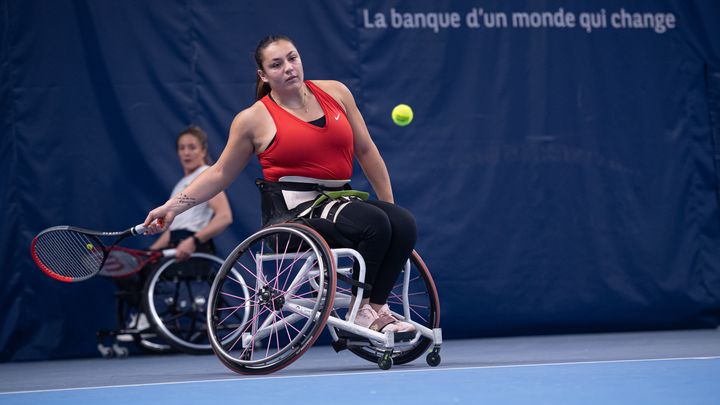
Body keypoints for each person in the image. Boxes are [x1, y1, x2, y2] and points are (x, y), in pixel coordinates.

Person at [144, 34, 416, 333]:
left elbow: (366, 151)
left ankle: (374, 309)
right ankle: (361, 310)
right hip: (295, 214)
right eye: (276, 64)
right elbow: (220, 173)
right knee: (376, 223)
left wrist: (389, 206)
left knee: (402, 223)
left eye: (292, 58)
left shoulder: (337, 93)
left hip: (342, 204)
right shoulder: (252, 120)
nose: (289, 67)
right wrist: (172, 207)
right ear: (263, 74)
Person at [115, 125, 233, 340]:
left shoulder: (206, 177)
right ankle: (145, 315)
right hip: (175, 243)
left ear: (203, 151)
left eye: (192, 147)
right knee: (131, 268)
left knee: (143, 269)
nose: (186, 152)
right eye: (182, 148)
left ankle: (146, 317)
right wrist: (149, 252)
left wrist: (193, 241)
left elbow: (225, 217)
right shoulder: (181, 185)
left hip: (195, 248)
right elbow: (172, 231)